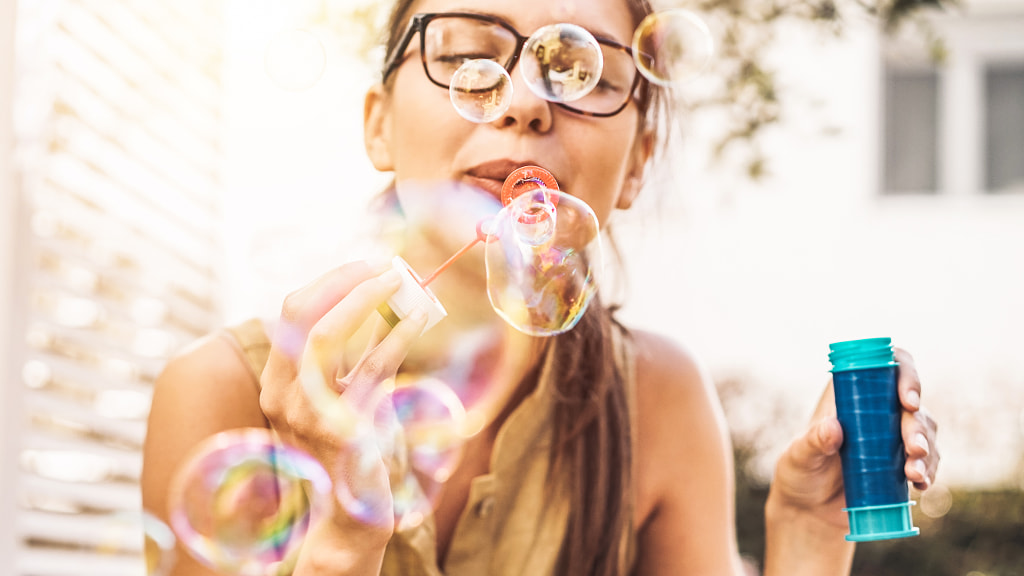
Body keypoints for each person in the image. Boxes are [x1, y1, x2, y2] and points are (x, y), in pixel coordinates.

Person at [141, 0, 941, 574]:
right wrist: (345, 543)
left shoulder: (656, 400)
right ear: (378, 123)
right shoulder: (226, 393)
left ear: (636, 163)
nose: (525, 101)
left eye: (584, 71)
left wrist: (804, 534)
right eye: (463, 55)